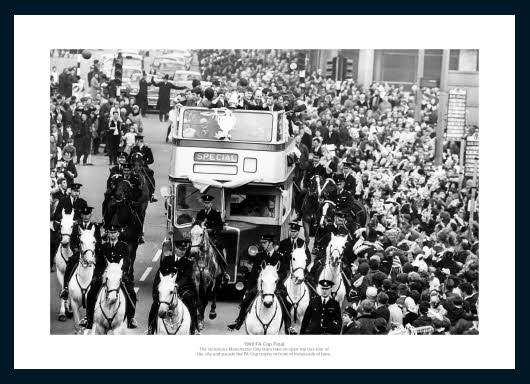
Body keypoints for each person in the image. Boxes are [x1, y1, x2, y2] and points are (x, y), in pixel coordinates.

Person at [227, 234, 296, 334]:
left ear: (271, 243)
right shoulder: (260, 255)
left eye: (265, 243)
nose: (262, 245)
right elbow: (254, 273)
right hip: (261, 285)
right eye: (262, 243)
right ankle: (239, 320)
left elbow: (283, 272)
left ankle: (288, 326)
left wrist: (274, 278)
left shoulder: (279, 256)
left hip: (275, 285)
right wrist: (248, 289)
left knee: (287, 302)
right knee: (247, 300)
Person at [80, 224, 138, 330]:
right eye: (111, 233)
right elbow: (99, 263)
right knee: (91, 293)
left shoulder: (124, 246)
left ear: (118, 233)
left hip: (119, 275)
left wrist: (123, 273)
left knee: (131, 293)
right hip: (105, 275)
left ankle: (130, 319)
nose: (113, 234)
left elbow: (127, 262)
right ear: (108, 234)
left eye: (114, 232)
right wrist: (99, 275)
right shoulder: (103, 247)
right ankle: (88, 318)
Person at [146, 239, 200, 335]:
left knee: (191, 303)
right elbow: (159, 276)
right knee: (155, 305)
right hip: (167, 289)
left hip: (182, 290)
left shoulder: (188, 263)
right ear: (175, 248)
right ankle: (151, 327)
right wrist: (156, 292)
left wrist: (177, 285)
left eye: (184, 250)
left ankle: (194, 329)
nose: (182, 252)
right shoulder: (167, 260)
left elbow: (187, 277)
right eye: (180, 249)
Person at [59, 207, 102, 300]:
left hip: (92, 253)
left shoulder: (95, 227)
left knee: (101, 266)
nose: (86, 217)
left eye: (88, 215)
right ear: (81, 215)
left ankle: (102, 288)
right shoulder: (76, 226)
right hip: (79, 253)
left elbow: (98, 241)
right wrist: (76, 250)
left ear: (90, 215)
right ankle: (65, 288)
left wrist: (93, 252)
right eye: (84, 215)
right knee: (70, 264)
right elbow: (73, 241)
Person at [195, 195, 229, 282]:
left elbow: (220, 226)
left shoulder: (216, 213)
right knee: (192, 248)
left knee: (220, 249)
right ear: (203, 203)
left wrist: (211, 230)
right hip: (201, 237)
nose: (207, 205)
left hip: (213, 237)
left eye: (208, 203)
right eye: (205, 203)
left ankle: (223, 271)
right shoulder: (200, 214)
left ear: (211, 204)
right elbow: (196, 225)